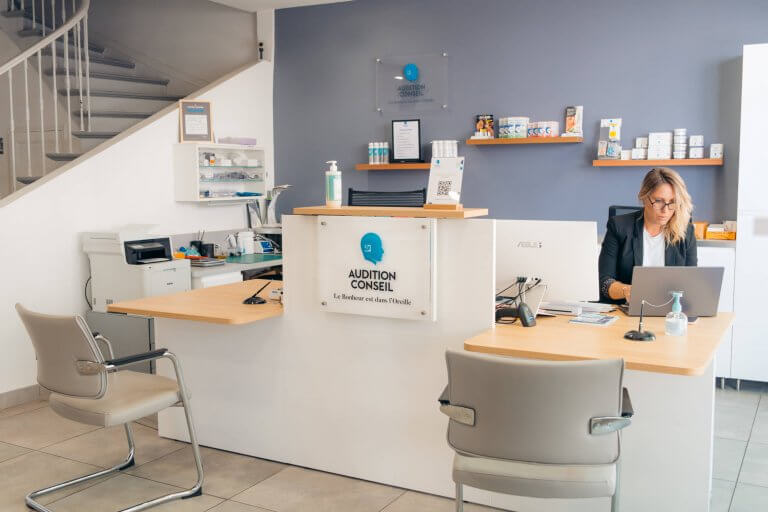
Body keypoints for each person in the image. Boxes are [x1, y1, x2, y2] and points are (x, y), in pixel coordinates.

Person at [599, 167, 697, 303]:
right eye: (659, 201)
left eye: (672, 202)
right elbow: (604, 283)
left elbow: (691, 282)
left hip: (670, 309)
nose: (665, 210)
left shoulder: (685, 231)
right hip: (627, 309)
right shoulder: (619, 226)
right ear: (644, 197)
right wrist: (627, 290)